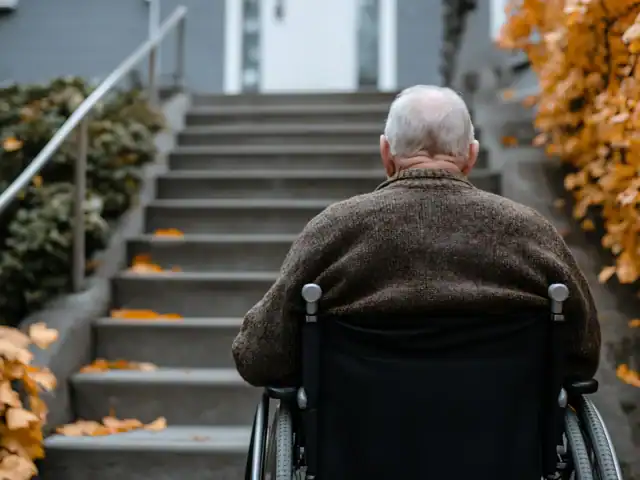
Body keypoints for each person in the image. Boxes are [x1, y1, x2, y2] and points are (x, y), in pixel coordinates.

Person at [231, 85, 601, 387]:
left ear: (386, 153)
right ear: (471, 156)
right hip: (503, 447)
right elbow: (582, 354)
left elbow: (261, 357)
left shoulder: (334, 230)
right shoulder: (529, 231)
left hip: (359, 449)